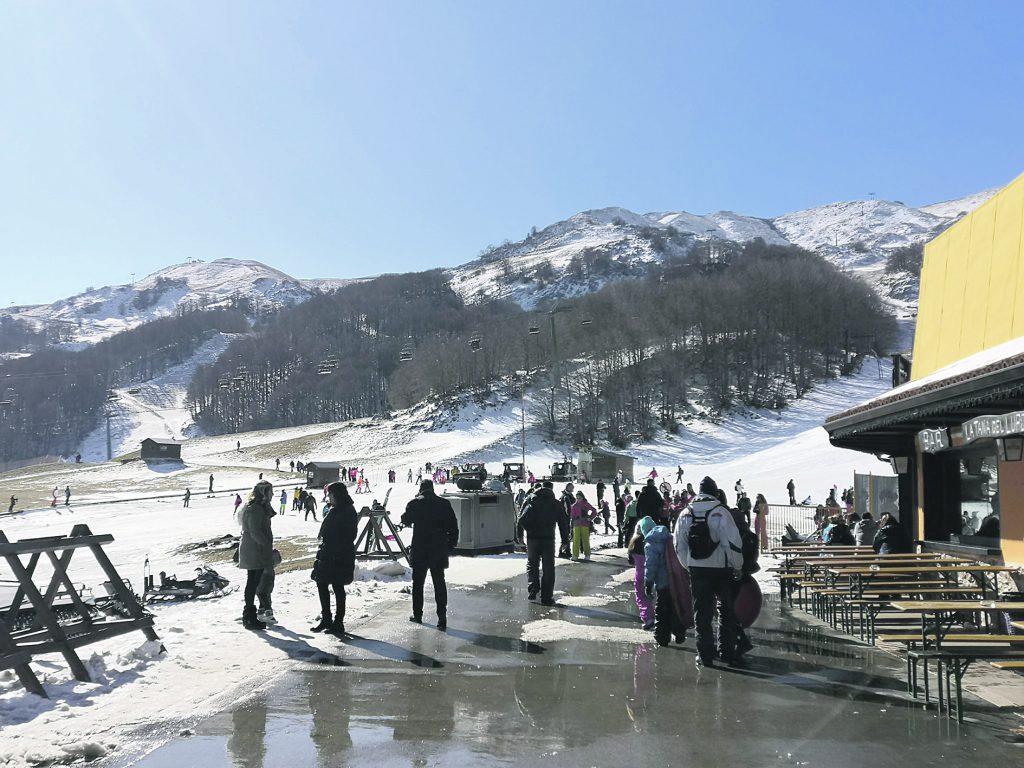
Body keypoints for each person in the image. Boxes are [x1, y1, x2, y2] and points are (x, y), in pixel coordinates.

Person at [675, 476, 743, 669]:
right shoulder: (721, 512)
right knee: (725, 610)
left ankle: (705, 655)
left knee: (701, 613)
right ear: (714, 491)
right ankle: (726, 651)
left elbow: (679, 544)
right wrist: (737, 565)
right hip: (721, 569)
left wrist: (688, 565)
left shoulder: (686, 513)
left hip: (697, 570)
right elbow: (733, 543)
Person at [401, 480, 460, 629]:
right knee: (439, 584)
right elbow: (453, 527)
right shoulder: (444, 504)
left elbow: (405, 520)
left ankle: (418, 615)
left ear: (421, 489)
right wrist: (450, 546)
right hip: (438, 550)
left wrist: (412, 506)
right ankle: (442, 618)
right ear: (432, 489)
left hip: (420, 550)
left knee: (418, 584)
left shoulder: (415, 503)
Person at [310, 482, 359, 635]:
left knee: (337, 586)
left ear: (336, 495)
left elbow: (349, 534)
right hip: (329, 553)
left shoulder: (346, 510)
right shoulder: (336, 509)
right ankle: (327, 618)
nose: (328, 497)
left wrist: (335, 546)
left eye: (330, 494)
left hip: (339, 554)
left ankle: (338, 622)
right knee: (322, 583)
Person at [237, 480, 276, 630]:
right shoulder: (255, 508)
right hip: (254, 550)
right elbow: (255, 531)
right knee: (252, 582)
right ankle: (249, 617)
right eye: (270, 491)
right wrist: (266, 545)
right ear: (263, 492)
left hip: (255, 549)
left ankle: (250, 615)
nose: (272, 494)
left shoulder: (259, 507)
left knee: (254, 582)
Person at [642, 516, 686, 647]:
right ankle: (679, 632)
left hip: (662, 582)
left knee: (661, 611)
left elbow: (651, 566)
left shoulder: (651, 544)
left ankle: (662, 638)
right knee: (675, 607)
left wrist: (648, 583)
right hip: (675, 579)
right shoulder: (669, 537)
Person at [518, 480, 560, 605]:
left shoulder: (530, 499)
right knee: (548, 567)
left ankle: (533, 588)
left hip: (532, 538)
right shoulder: (554, 502)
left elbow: (520, 519)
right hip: (548, 539)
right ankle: (547, 597)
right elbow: (563, 521)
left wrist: (520, 536)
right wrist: (565, 540)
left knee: (532, 564)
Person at [628, 517, 655, 630]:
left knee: (642, 597)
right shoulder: (655, 542)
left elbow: (630, 560)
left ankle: (648, 618)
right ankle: (661, 618)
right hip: (655, 573)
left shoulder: (634, 543)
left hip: (640, 575)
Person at [256, 549, 282, 626]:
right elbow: (278, 560)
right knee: (265, 593)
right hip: (269, 572)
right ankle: (262, 613)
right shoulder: (272, 551)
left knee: (261, 593)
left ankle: (267, 614)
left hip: (261, 573)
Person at [570, 491, 597, 561]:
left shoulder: (585, 504)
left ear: (582, 497)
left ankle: (587, 555)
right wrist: (572, 524)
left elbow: (594, 511)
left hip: (584, 524)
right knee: (576, 540)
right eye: (577, 498)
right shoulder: (574, 506)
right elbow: (572, 516)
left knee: (585, 540)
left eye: (579, 497)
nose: (578, 499)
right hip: (576, 524)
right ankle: (575, 555)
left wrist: (590, 518)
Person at [557, 483, 575, 560]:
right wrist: (570, 517)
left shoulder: (568, 496)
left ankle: (567, 551)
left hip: (565, 519)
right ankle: (563, 552)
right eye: (572, 487)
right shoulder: (565, 497)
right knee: (566, 535)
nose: (573, 489)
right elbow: (568, 509)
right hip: (565, 519)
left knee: (567, 535)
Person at [623, 491, 640, 560]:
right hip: (639, 520)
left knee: (630, 536)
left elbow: (626, 514)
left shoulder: (631, 503)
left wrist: (625, 523)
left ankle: (630, 552)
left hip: (631, 521)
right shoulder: (642, 503)